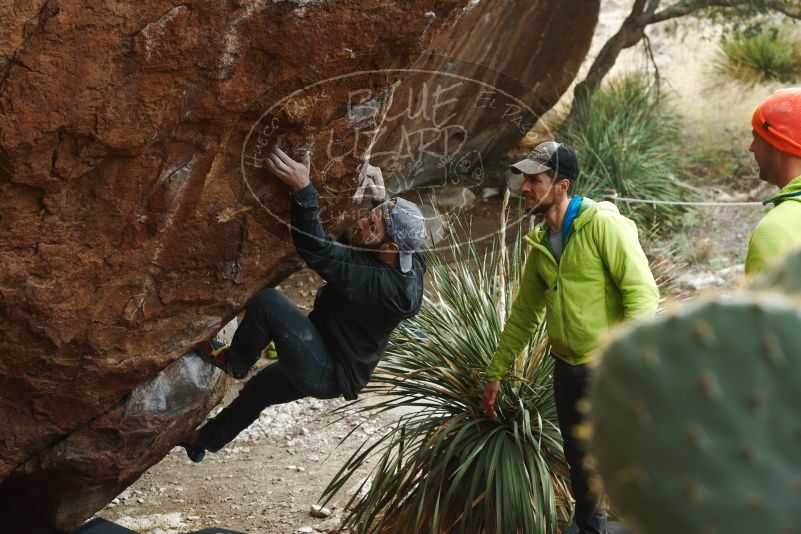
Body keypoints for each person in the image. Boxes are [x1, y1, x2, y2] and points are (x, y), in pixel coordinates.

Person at [182, 147, 427, 462]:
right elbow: (387, 236)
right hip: (328, 352)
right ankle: (202, 442)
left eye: (373, 226)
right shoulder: (412, 261)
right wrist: (380, 199)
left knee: (268, 302)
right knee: (259, 391)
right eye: (370, 217)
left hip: (327, 369)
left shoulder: (372, 281)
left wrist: (303, 189)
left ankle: (236, 362)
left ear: (391, 248)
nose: (363, 222)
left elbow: (316, 249)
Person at [481, 142, 659, 534]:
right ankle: (590, 526)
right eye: (524, 179)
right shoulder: (542, 243)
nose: (524, 187)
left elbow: (642, 294)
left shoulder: (602, 226)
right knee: (579, 456)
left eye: (535, 180)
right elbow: (525, 313)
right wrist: (496, 370)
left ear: (561, 185)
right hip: (566, 367)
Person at [745, 88, 801, 277]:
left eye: (756, 136)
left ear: (778, 142)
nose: (751, 148)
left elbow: (762, 307)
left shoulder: (776, 229)